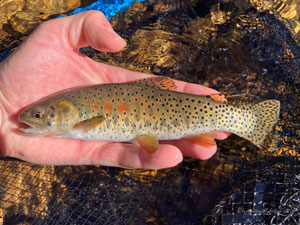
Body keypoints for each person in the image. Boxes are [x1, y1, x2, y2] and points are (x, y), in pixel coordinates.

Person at [0, 11, 229, 169]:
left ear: (65, 112)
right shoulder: (71, 108)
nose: (32, 119)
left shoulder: (75, 113)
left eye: (38, 115)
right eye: (38, 116)